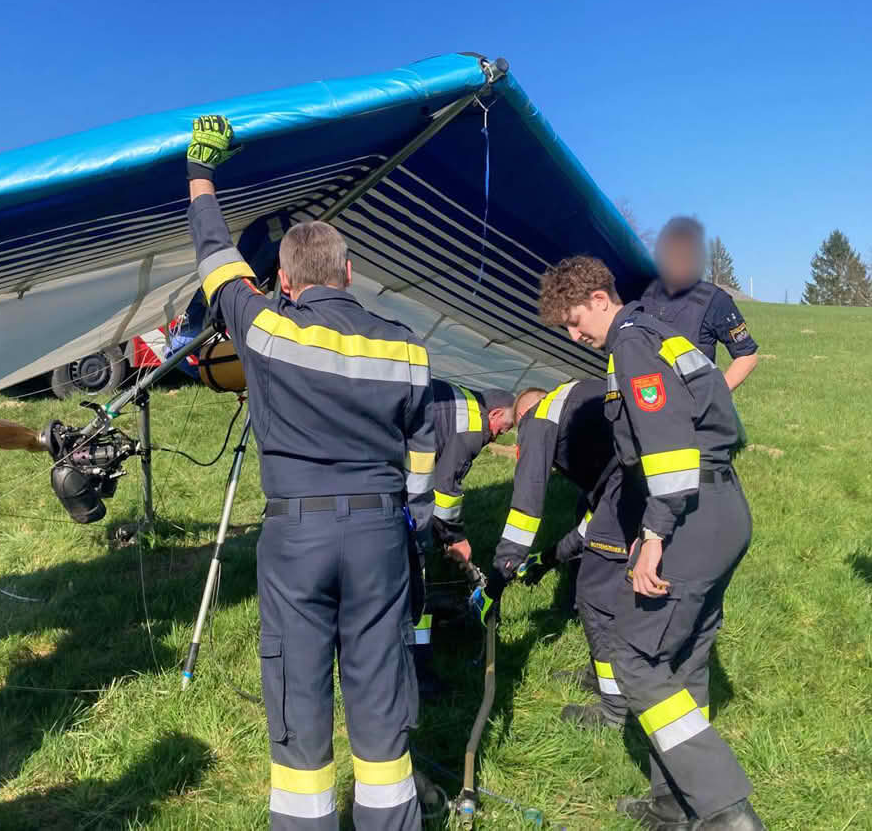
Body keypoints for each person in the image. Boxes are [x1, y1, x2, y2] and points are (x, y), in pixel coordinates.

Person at [185, 117, 428, 830]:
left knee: (298, 697)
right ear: (350, 273)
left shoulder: (266, 328)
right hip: (381, 533)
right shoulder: (409, 351)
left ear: (284, 281)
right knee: (381, 694)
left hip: (298, 539)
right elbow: (421, 451)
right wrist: (415, 523)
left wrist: (201, 174)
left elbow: (214, 258)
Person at [537, 255, 761, 830]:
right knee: (682, 659)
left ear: (596, 298)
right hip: (722, 507)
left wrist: (654, 538)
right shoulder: (663, 336)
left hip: (689, 513)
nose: (574, 335)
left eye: (572, 321)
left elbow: (668, 450)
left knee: (635, 657)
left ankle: (724, 811)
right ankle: (674, 804)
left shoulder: (631, 345)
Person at [481, 381, 644, 732]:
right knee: (603, 576)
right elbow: (592, 525)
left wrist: (496, 581)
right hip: (635, 478)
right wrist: (548, 560)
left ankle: (615, 709)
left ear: (523, 415)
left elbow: (526, 507)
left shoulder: (538, 419)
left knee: (596, 595)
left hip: (629, 486)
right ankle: (601, 671)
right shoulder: (580, 407)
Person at [412, 380, 517, 698]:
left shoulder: (465, 401)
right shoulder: (474, 426)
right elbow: (445, 492)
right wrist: (456, 538)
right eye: (504, 426)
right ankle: (418, 672)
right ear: (495, 413)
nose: (500, 435)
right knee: (414, 576)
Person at [640, 217, 758, 392]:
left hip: (691, 412)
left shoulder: (714, 300)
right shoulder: (640, 294)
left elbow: (747, 355)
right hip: (644, 406)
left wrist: (716, 396)